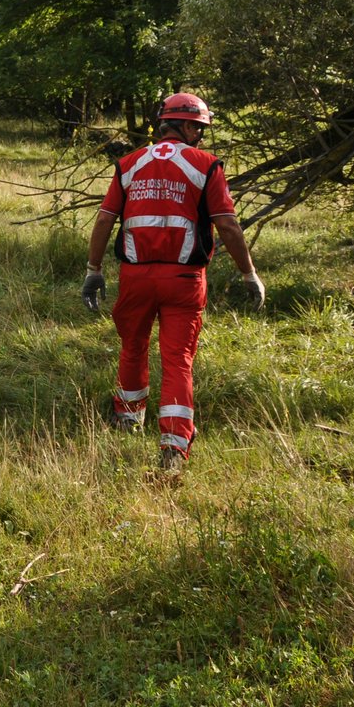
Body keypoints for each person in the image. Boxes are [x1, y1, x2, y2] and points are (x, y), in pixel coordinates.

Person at [80, 92, 266, 475]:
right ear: (187, 126)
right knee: (178, 359)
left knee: (133, 347)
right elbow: (227, 224)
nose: (199, 135)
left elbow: (103, 220)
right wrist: (249, 273)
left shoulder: (129, 163)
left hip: (134, 276)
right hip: (184, 280)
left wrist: (93, 270)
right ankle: (174, 448)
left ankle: (128, 420)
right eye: (198, 128)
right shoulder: (206, 165)